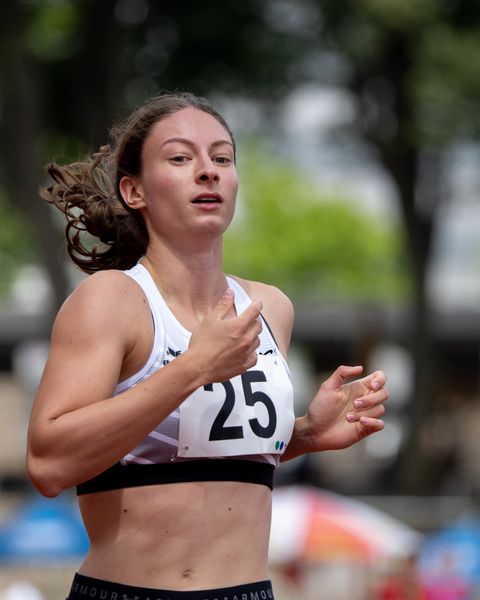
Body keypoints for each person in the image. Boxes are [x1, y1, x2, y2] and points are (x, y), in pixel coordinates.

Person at [26, 92, 388, 600]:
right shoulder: (112, 301)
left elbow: (195, 452)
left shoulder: (268, 307)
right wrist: (193, 367)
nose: (208, 171)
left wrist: (302, 435)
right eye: (180, 158)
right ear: (134, 191)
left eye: (222, 158)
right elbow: (48, 464)